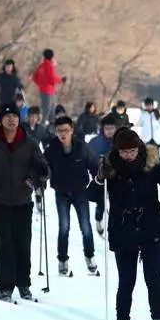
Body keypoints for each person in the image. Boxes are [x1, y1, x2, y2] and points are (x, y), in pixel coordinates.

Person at [93, 128, 160, 320]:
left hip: (150, 227)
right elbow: (93, 194)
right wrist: (99, 178)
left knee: (154, 279)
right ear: (117, 150)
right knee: (127, 280)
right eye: (124, 151)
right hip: (123, 230)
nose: (129, 155)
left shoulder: (150, 163)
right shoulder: (109, 167)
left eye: (132, 150)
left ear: (139, 147)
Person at [0, 103, 49, 302]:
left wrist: (37, 178)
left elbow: (43, 168)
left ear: (19, 118)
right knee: (4, 244)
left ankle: (23, 283)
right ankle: (5, 286)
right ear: (0, 119)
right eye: (7, 116)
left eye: (15, 116)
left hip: (23, 200)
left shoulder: (29, 143)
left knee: (23, 243)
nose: (11, 119)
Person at [44, 115, 99, 275]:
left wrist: (101, 173)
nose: (63, 134)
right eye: (59, 131)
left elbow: (94, 165)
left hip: (80, 191)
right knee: (64, 227)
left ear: (71, 130)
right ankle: (62, 260)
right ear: (55, 132)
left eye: (66, 130)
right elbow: (44, 167)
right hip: (61, 192)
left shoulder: (82, 147)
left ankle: (90, 256)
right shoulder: (51, 149)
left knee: (85, 227)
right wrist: (40, 177)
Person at [87, 114, 117, 236]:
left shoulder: (120, 140)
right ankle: (99, 219)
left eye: (112, 128)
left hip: (117, 178)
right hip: (100, 178)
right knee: (101, 202)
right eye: (107, 128)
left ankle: (115, 227)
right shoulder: (95, 142)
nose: (109, 131)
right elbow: (89, 160)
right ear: (103, 128)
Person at [31, 49, 65, 123]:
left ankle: (49, 126)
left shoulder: (42, 65)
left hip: (44, 90)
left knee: (49, 109)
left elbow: (34, 77)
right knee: (48, 109)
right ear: (51, 56)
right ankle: (42, 127)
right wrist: (61, 79)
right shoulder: (49, 65)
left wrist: (41, 84)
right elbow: (51, 78)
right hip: (48, 91)